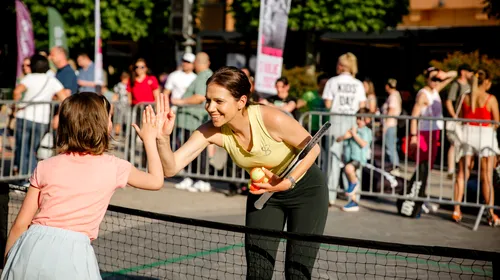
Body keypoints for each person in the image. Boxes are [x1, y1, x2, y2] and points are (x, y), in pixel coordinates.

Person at [154, 66, 328, 279]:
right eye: (208, 100)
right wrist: (162, 139)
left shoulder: (271, 118)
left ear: (241, 101)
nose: (210, 107)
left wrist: (288, 181)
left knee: (296, 274)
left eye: (219, 101)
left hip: (306, 191)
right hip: (265, 195)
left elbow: (313, 148)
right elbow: (171, 167)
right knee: (257, 272)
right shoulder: (211, 130)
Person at [1, 92, 165, 279]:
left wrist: (9, 264)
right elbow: (155, 180)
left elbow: (20, 225)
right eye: (109, 118)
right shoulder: (115, 166)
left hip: (32, 245)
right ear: (102, 125)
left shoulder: (45, 165)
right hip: (73, 253)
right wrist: (150, 140)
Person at [453, 69, 499, 226]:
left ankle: (456, 209)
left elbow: (459, 117)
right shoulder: (490, 99)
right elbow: (496, 122)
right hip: (485, 137)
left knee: (462, 173)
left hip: (467, 136)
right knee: (486, 176)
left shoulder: (465, 97)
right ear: (486, 82)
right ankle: (491, 212)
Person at [322, 52, 366, 206]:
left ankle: (330, 196)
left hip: (336, 120)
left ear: (340, 65)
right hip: (352, 121)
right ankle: (354, 196)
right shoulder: (358, 84)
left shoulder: (332, 82)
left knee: (333, 160)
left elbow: (328, 104)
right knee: (353, 159)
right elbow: (362, 106)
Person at [336, 108, 373, 212]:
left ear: (367, 120)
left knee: (349, 170)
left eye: (361, 119)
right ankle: (353, 202)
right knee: (349, 175)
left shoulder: (366, 131)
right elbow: (338, 140)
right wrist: (344, 136)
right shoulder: (352, 129)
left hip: (358, 158)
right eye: (357, 118)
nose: (358, 121)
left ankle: (354, 183)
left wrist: (355, 135)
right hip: (349, 157)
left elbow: (364, 144)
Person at [444, 64, 473, 179]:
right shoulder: (456, 85)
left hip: (466, 120)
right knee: (454, 143)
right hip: (457, 119)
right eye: (469, 71)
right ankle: (451, 169)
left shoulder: (471, 85)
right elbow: (449, 101)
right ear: (463, 72)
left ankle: (464, 170)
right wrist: (454, 115)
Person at [381, 78, 402, 176]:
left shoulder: (393, 96)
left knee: (390, 146)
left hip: (390, 124)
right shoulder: (395, 95)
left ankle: (394, 166)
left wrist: (385, 126)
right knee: (391, 145)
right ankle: (392, 165)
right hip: (392, 124)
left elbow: (391, 110)